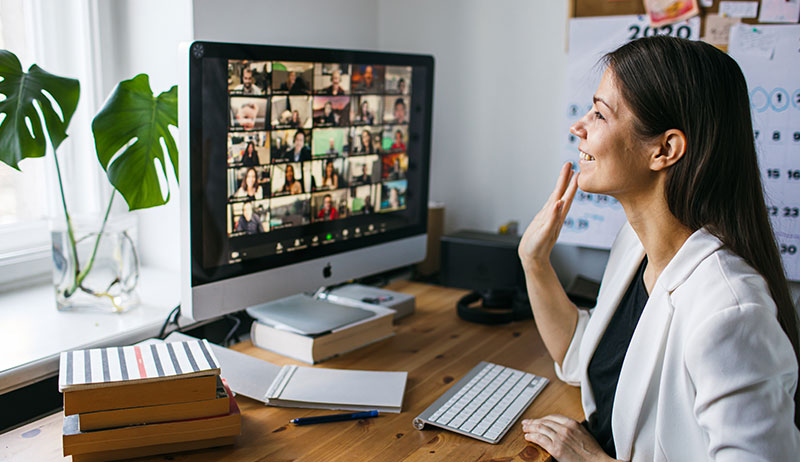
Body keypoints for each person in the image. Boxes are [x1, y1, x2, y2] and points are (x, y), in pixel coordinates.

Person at [517, 37, 800, 462]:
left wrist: (591, 459)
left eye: (599, 113)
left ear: (664, 150)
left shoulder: (731, 310)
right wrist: (534, 262)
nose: (580, 126)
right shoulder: (635, 245)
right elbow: (583, 357)